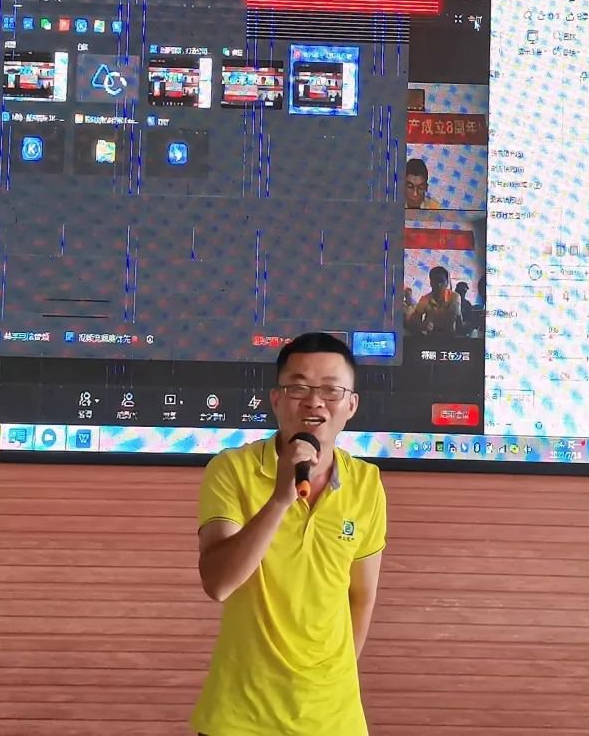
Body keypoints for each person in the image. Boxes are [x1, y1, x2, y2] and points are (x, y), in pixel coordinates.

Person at [190, 332, 388, 736]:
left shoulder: (367, 483)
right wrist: (280, 498)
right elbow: (219, 583)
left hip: (335, 720)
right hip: (240, 718)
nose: (315, 402)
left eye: (331, 390)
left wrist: (330, 683)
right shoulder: (232, 470)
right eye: (298, 387)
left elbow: (361, 597)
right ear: (277, 399)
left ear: (351, 405)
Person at [406, 266, 465, 336]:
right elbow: (413, 321)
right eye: (435, 281)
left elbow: (458, 319)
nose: (439, 285)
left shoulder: (455, 297)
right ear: (431, 283)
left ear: (447, 282)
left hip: (451, 337)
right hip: (431, 338)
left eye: (441, 281)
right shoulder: (425, 300)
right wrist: (422, 325)